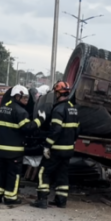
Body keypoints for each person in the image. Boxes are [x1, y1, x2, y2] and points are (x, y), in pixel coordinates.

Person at [31, 81, 79, 209]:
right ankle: (61, 200)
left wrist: (47, 145)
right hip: (68, 150)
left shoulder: (58, 109)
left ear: (58, 93)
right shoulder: (73, 108)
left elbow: (56, 130)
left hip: (57, 150)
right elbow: (77, 130)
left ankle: (42, 200)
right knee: (62, 174)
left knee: (43, 172)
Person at [0, 85, 42, 205]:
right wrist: (40, 120)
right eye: (24, 97)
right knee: (13, 175)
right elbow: (27, 128)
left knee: (0, 173)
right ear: (17, 96)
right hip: (14, 152)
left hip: (1, 150)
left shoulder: (2, 108)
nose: (27, 100)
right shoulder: (21, 112)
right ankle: (10, 198)